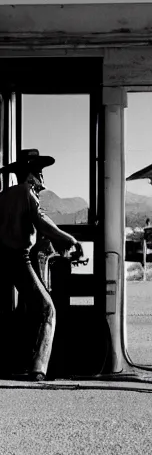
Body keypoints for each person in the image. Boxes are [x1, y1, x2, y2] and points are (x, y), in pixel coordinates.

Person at [0, 149, 83, 381]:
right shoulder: (28, 193)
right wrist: (70, 239)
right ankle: (38, 368)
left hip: (4, 258)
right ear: (31, 175)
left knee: (19, 310)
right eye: (39, 171)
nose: (42, 177)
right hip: (19, 259)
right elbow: (43, 222)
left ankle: (13, 361)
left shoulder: (4, 195)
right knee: (47, 310)